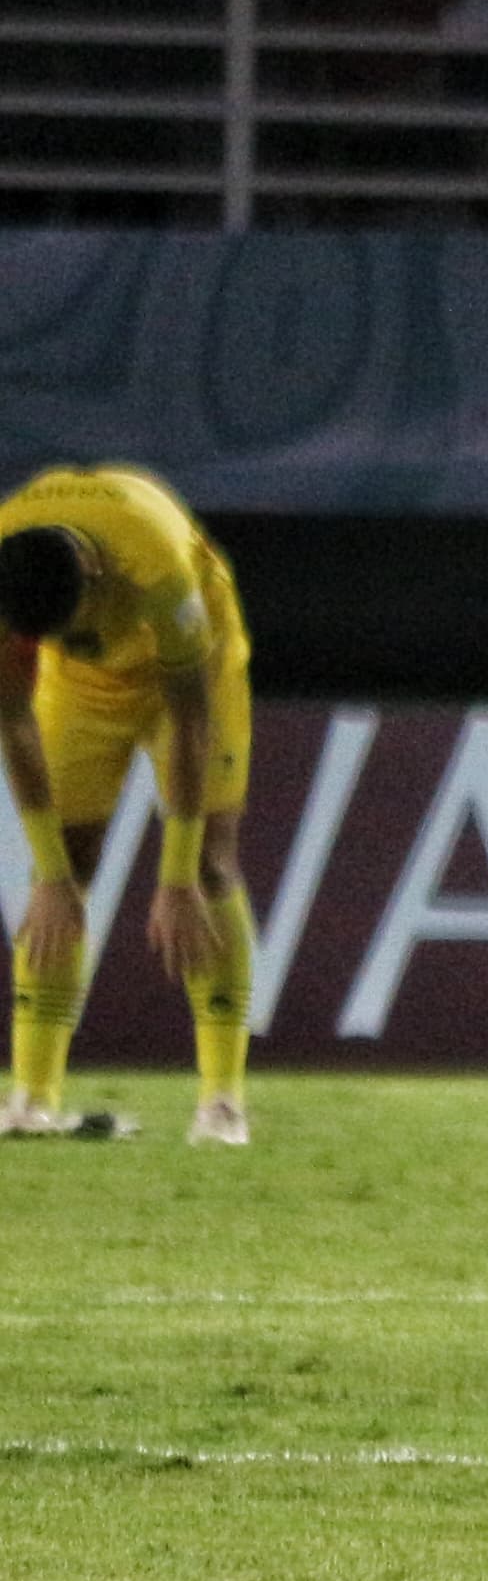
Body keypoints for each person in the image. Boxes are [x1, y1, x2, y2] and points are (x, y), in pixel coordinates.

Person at [0, 465, 254, 1147]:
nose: (69, 638)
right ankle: (31, 1100)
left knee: (210, 865)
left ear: (95, 573)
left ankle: (222, 1103)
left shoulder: (158, 564)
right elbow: (13, 716)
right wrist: (51, 873)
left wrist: (174, 877)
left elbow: (191, 718)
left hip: (196, 671)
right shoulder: (9, 569)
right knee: (66, 865)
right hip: (85, 691)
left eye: (73, 624)